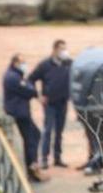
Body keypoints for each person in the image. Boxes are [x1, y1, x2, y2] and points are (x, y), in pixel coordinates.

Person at [2, 54, 47, 183]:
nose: (24, 65)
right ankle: (32, 167)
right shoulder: (13, 77)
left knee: (34, 135)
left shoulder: (16, 75)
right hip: (18, 112)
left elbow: (29, 87)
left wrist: (31, 89)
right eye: (22, 62)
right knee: (31, 138)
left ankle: (32, 166)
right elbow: (29, 90)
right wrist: (33, 91)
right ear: (15, 63)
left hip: (21, 111)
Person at [28, 39, 71, 169]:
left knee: (60, 131)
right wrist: (38, 96)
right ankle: (44, 158)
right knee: (48, 130)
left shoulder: (68, 63)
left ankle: (58, 157)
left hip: (63, 102)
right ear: (54, 50)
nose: (64, 52)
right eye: (61, 49)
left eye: (65, 49)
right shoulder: (45, 65)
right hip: (50, 103)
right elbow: (31, 79)